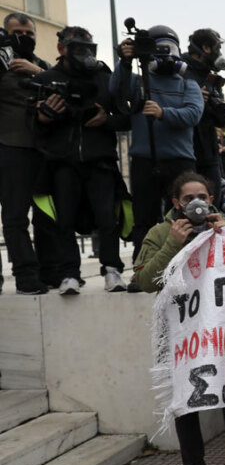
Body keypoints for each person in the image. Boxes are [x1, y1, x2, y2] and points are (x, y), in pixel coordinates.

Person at [132, 172, 225, 465]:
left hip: (224, 326)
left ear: (212, 198)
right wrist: (172, 244)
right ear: (176, 202)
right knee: (186, 398)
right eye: (188, 198)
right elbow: (146, 281)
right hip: (183, 333)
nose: (197, 203)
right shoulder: (161, 232)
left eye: (203, 196)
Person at [30, 26, 128, 294]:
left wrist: (107, 120)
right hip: (62, 162)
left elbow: (126, 116)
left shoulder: (104, 77)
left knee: (108, 219)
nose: (83, 54)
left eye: (87, 48)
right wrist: (43, 116)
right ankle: (69, 274)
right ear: (61, 48)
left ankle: (112, 270)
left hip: (101, 161)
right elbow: (33, 126)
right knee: (64, 220)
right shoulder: (46, 79)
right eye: (76, 48)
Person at [110, 24, 204, 263]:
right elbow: (115, 91)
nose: (164, 54)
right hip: (144, 159)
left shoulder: (187, 83)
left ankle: (186, 266)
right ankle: (142, 268)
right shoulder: (137, 81)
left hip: (180, 161)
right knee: (144, 218)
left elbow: (193, 114)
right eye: (157, 48)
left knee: (185, 217)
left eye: (169, 47)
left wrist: (164, 113)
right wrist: (125, 61)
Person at [0, 12, 51, 294]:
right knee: (15, 216)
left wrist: (37, 72)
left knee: (46, 217)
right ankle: (25, 276)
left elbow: (66, 85)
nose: (25, 37)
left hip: (44, 152)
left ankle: (50, 270)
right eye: (18, 32)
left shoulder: (42, 65)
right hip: (10, 150)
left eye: (29, 33)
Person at [181, 28, 225, 196]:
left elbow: (223, 120)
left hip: (209, 152)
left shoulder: (211, 78)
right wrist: (191, 97)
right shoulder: (179, 71)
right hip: (185, 151)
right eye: (217, 48)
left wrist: (210, 105)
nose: (219, 53)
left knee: (213, 200)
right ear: (206, 48)